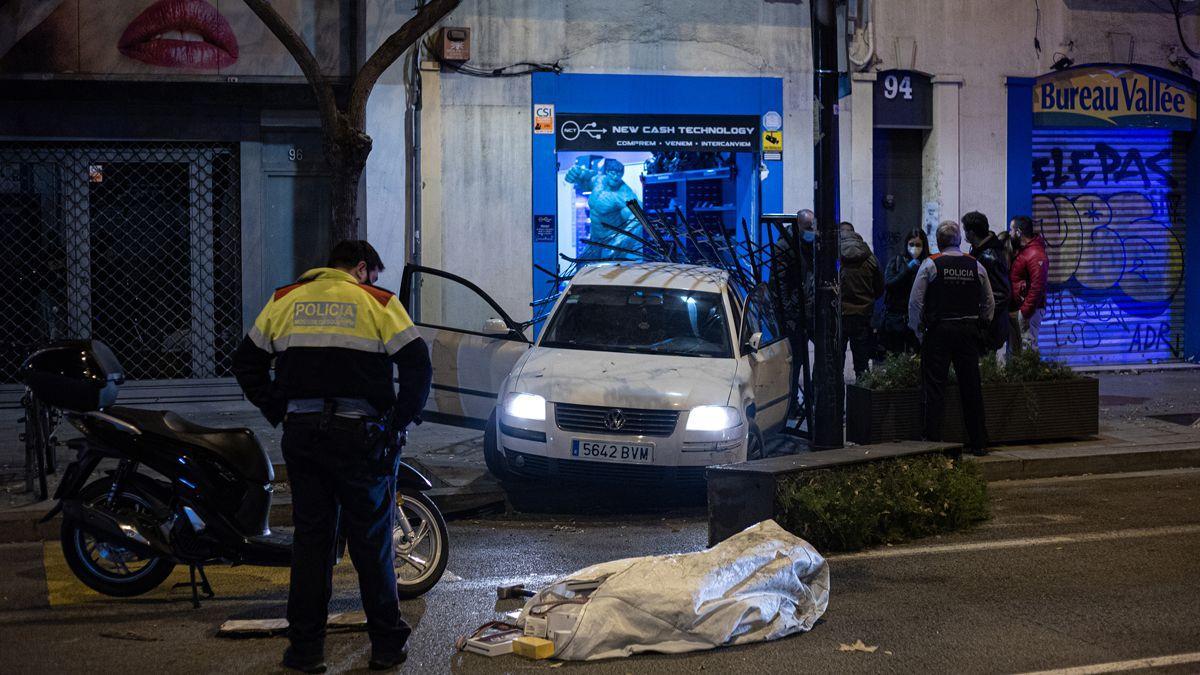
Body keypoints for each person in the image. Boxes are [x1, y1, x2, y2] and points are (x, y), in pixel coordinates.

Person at [231, 240, 433, 673]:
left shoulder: (285, 300)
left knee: (312, 545)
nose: (374, 281)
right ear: (361, 268)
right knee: (371, 544)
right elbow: (418, 364)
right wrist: (399, 420)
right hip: (362, 438)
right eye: (372, 274)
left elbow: (245, 363)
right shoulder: (378, 302)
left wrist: (276, 408)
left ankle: (305, 651)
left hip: (303, 437)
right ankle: (385, 646)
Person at [908, 221, 994, 455]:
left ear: (938, 241)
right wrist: (982, 324)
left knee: (934, 388)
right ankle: (978, 442)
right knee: (971, 386)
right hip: (968, 330)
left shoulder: (931, 264)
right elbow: (989, 302)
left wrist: (918, 331)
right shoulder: (975, 265)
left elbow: (915, 302)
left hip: (939, 331)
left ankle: (932, 442)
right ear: (959, 240)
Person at [564, 158, 643, 260]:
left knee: (607, 273)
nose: (616, 177)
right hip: (595, 239)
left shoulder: (625, 195)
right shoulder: (598, 181)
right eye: (613, 173)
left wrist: (620, 241)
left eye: (619, 174)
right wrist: (575, 173)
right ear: (607, 172)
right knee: (582, 267)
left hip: (611, 240)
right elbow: (585, 180)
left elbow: (637, 219)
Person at [962, 211, 1013, 352]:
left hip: (989, 330)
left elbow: (1002, 294)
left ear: (971, 233)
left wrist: (983, 320)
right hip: (986, 327)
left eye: (965, 230)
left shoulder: (989, 256)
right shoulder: (980, 251)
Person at [839, 222, 884, 377]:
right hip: (863, 316)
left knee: (836, 364)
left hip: (840, 315)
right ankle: (861, 399)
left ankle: (837, 400)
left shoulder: (833, 256)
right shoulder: (870, 258)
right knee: (862, 364)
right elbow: (879, 287)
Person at [880, 227, 930, 354]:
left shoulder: (929, 263)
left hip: (920, 318)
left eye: (918, 245)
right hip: (897, 318)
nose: (914, 248)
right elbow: (889, 284)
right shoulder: (897, 261)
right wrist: (907, 270)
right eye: (911, 244)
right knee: (897, 354)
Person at [1008, 215, 1049, 352]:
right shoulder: (1026, 251)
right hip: (1024, 308)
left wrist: (1025, 312)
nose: (1009, 234)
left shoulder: (1035, 253)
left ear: (1018, 232)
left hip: (1030, 311)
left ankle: (1031, 374)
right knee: (1023, 348)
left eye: (1011, 230)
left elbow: (1038, 286)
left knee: (1028, 348)